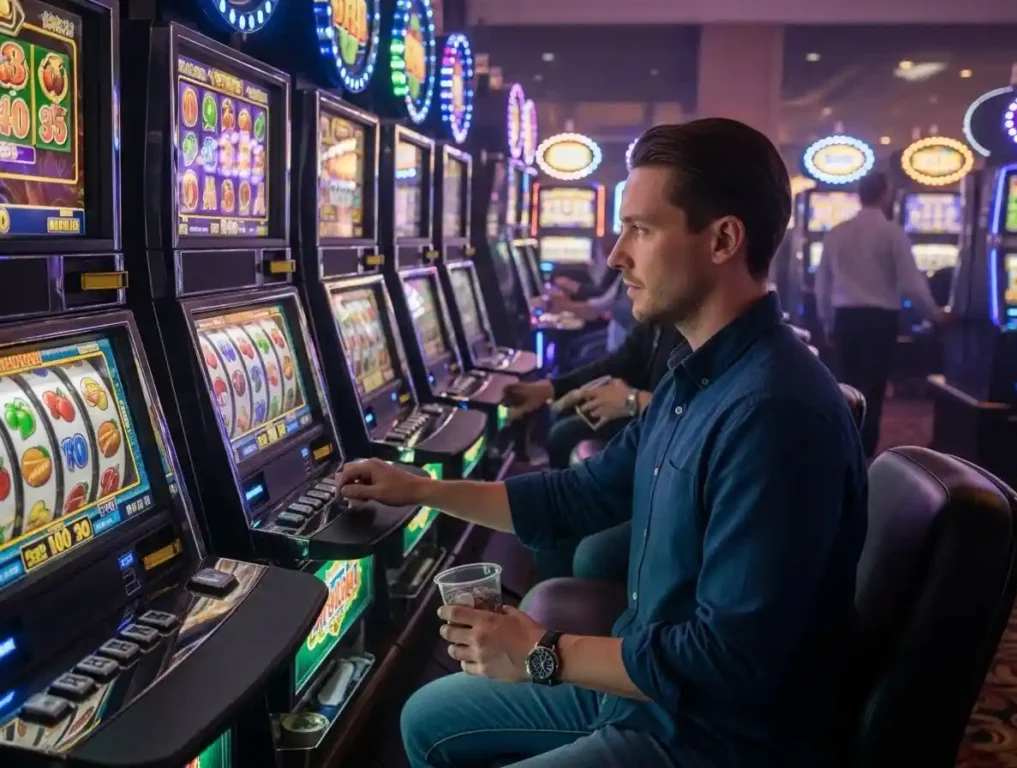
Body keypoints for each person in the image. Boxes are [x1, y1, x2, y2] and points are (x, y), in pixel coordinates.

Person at [337, 119, 867, 768]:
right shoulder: (697, 374)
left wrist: (541, 650)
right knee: (426, 716)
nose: (616, 254)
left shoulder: (774, 413)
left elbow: (732, 661)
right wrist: (420, 490)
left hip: (714, 735)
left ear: (724, 239)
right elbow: (579, 495)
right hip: (650, 688)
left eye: (641, 229)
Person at [504, 319, 682, 582]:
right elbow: (623, 362)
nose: (621, 274)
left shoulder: (715, 335)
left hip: (676, 463)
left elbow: (696, 410)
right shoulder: (667, 320)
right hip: (658, 437)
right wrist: (549, 388)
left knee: (593, 555)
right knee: (556, 519)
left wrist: (636, 400)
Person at [814, 172, 947, 456]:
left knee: (844, 388)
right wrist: (935, 315)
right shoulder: (892, 233)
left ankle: (841, 447)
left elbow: (822, 285)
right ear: (885, 194)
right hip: (880, 320)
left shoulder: (837, 233)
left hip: (845, 317)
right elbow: (912, 284)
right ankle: (865, 451)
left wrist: (827, 323)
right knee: (873, 390)